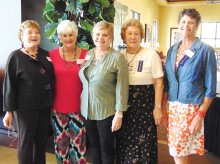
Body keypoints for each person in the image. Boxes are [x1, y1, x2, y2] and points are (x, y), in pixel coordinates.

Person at [162, 8, 217, 164]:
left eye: (191, 22)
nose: (186, 25)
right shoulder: (172, 50)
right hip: (173, 107)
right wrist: (164, 106)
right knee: (180, 149)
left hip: (191, 108)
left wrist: (200, 116)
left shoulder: (205, 50)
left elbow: (211, 88)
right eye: (184, 21)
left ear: (196, 26)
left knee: (177, 150)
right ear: (179, 23)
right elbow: (168, 81)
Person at [2, 20, 54, 164]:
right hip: (25, 109)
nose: (34, 35)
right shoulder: (15, 57)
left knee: (41, 143)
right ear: (21, 37)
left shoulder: (46, 55)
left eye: (37, 32)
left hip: (44, 107)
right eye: (29, 32)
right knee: (26, 144)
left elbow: (52, 80)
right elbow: (9, 85)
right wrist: (9, 111)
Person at [79, 20, 129, 164]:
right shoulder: (88, 54)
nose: (100, 38)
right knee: (94, 147)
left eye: (105, 35)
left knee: (106, 148)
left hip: (106, 111)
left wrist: (119, 114)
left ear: (111, 38)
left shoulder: (117, 57)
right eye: (98, 34)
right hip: (87, 110)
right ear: (93, 35)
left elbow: (122, 86)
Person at [116, 19, 164, 164]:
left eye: (136, 34)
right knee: (125, 143)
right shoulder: (119, 55)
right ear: (123, 36)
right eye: (129, 33)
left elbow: (159, 82)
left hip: (145, 106)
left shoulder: (151, 54)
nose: (133, 37)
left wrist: (158, 107)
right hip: (125, 106)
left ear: (141, 36)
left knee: (145, 145)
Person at [49, 20, 87, 163]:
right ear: (59, 37)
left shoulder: (86, 54)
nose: (68, 38)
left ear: (76, 36)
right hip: (58, 108)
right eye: (64, 35)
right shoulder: (52, 55)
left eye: (71, 35)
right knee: (61, 145)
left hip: (79, 108)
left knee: (79, 145)